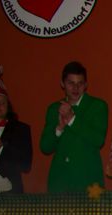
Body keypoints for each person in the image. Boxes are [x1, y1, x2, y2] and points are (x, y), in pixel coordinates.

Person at [39, 61, 108, 193]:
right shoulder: (54, 109)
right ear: (62, 84)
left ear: (86, 85)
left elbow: (98, 140)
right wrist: (59, 128)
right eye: (71, 83)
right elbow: (45, 147)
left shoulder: (97, 106)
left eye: (80, 83)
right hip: (60, 182)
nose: (76, 88)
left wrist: (72, 119)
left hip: (88, 181)